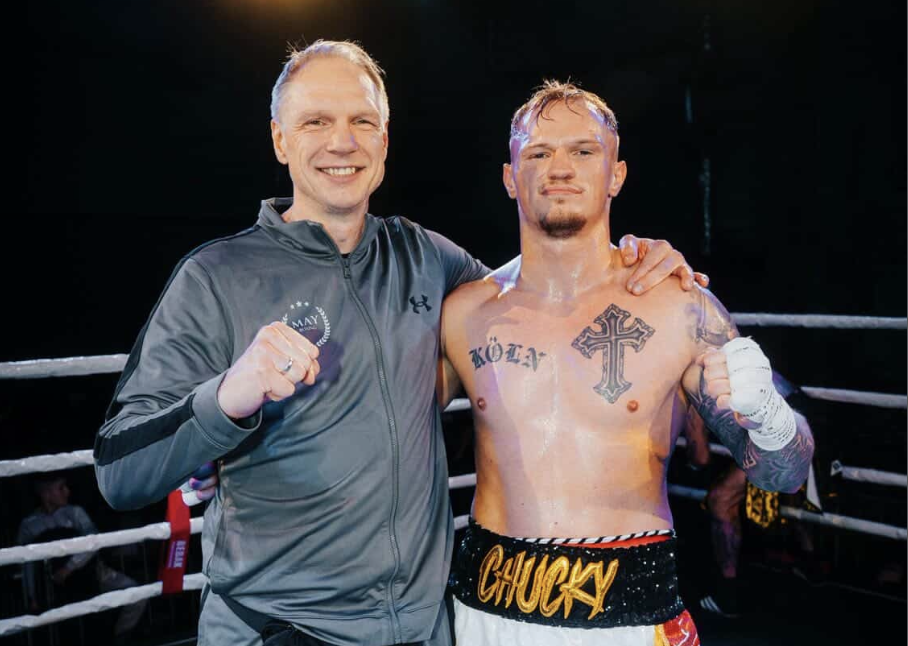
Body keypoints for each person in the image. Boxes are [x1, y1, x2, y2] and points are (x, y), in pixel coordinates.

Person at [94, 41, 704, 646]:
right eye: (316, 122)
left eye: (362, 121)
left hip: (422, 629)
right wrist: (225, 399)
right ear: (280, 139)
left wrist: (634, 262)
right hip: (280, 628)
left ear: (384, 140)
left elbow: (539, 294)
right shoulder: (215, 278)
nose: (342, 142)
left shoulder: (426, 258)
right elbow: (119, 471)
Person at [438, 81, 815, 645]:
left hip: (630, 617)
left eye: (582, 151)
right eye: (538, 153)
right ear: (510, 177)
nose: (559, 168)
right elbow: (380, 430)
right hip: (487, 611)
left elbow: (785, 474)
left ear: (615, 174)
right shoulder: (465, 313)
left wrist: (769, 416)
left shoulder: (680, 306)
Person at [683, 372, 819, 618]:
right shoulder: (718, 358)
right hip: (806, 418)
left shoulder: (692, 380)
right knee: (789, 488)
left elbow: (700, 458)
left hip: (782, 430)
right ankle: (812, 566)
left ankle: (728, 595)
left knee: (721, 499)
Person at [17, 475, 147, 640]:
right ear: (46, 493)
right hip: (52, 585)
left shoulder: (74, 512)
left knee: (136, 594)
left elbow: (94, 540)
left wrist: (68, 567)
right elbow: (27, 564)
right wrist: (32, 596)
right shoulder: (30, 524)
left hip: (92, 572)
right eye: (61, 488)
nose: (67, 492)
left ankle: (119, 639)